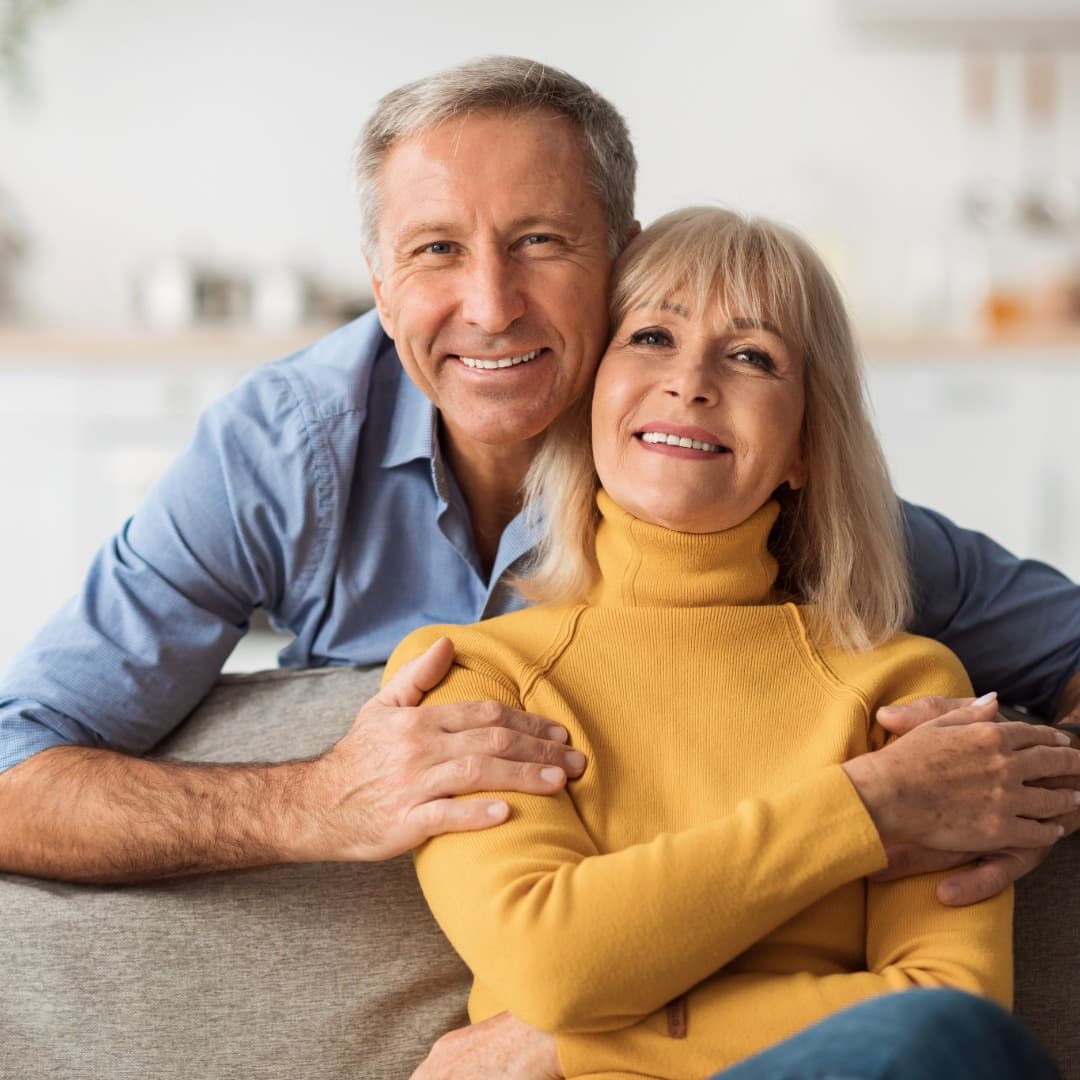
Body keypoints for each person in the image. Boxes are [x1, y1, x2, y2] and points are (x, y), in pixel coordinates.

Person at [0, 56, 1077, 919]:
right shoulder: (281, 452)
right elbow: (15, 770)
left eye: (541, 242)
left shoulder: (723, 467)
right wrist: (311, 801)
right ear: (378, 283)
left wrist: (1026, 787)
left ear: (624, 255)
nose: (490, 304)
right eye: (434, 251)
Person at [392, 206, 1062, 1079]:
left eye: (752, 356)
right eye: (651, 337)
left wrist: (568, 1042)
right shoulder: (473, 676)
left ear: (805, 447)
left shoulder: (905, 682)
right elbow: (556, 965)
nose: (692, 382)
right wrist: (866, 807)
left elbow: (948, 1014)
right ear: (594, 392)